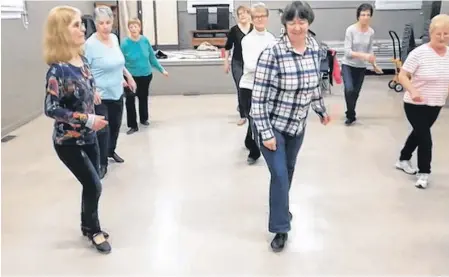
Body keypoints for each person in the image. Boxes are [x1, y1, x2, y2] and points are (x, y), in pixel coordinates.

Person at [251, 1, 330, 252]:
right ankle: (280, 228)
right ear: (284, 24)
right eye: (292, 22)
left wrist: (320, 109)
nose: (297, 27)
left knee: (289, 171)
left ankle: (281, 208)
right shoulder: (272, 52)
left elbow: (314, 83)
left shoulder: (314, 48)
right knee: (280, 176)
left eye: (302, 21)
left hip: (297, 124)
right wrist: (265, 133)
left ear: (309, 23)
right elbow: (258, 98)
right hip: (271, 124)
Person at [43, 5, 111, 254]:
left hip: (89, 136)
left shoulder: (81, 60)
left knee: (91, 183)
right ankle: (94, 231)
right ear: (61, 31)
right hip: (69, 142)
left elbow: (86, 82)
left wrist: (92, 92)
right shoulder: (57, 70)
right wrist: (86, 118)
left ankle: (87, 224)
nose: (82, 28)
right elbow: (51, 109)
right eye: (75, 25)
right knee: (94, 185)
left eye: (81, 23)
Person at [394, 14, 449, 189]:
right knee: (426, 138)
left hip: (436, 103)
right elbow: (402, 75)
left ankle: (403, 159)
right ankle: (424, 173)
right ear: (431, 33)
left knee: (418, 134)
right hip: (414, 104)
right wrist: (413, 90)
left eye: (446, 34)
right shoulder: (419, 53)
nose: (442, 37)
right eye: (438, 34)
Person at [85, 6, 136, 179]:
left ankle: (110, 151)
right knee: (103, 130)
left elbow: (119, 62)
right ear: (95, 24)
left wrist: (128, 77)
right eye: (101, 23)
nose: (105, 27)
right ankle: (101, 163)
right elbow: (84, 70)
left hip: (116, 90)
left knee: (115, 126)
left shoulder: (114, 38)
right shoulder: (90, 45)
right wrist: (92, 90)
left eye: (108, 22)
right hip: (100, 95)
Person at [239, 2, 276, 165]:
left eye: (263, 16)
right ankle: (254, 151)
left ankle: (250, 142)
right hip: (249, 86)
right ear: (252, 20)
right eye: (256, 17)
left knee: (260, 118)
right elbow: (250, 65)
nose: (260, 19)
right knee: (253, 119)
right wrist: (270, 66)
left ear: (267, 18)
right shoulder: (247, 40)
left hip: (267, 87)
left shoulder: (272, 39)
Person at [121, 18, 169, 135]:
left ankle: (144, 119)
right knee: (130, 100)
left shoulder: (145, 41)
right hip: (130, 76)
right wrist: (122, 77)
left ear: (140, 28)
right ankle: (132, 125)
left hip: (145, 74)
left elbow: (152, 57)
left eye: (136, 26)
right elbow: (120, 61)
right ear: (129, 28)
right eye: (131, 27)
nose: (133, 29)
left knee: (143, 97)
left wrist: (162, 70)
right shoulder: (125, 43)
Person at [341, 3, 377, 126]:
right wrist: (364, 56)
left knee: (355, 93)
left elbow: (370, 50)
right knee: (349, 89)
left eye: (368, 15)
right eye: (363, 14)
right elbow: (347, 52)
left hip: (361, 67)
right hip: (348, 65)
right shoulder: (350, 30)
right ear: (358, 16)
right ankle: (350, 115)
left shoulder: (371, 32)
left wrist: (374, 65)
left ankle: (351, 113)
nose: (365, 17)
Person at [224, 5, 253, 126]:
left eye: (245, 13)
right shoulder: (234, 30)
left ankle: (250, 110)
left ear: (249, 15)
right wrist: (226, 62)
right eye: (240, 14)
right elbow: (227, 47)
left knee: (250, 89)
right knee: (240, 87)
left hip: (251, 63)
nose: (242, 16)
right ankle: (242, 115)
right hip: (237, 62)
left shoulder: (254, 29)